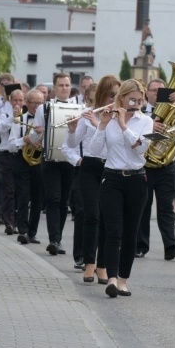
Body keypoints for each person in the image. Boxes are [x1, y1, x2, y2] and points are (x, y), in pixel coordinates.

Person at [88, 79, 153, 298]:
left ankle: (124, 279)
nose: (137, 102)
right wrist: (103, 124)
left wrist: (124, 126)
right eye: (132, 98)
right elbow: (95, 150)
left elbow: (140, 148)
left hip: (136, 179)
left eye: (140, 99)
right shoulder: (109, 119)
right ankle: (112, 279)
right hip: (112, 178)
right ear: (122, 98)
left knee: (130, 233)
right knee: (113, 230)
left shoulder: (146, 121)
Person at [65, 75, 119, 283]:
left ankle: (103, 266)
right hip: (89, 166)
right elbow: (71, 143)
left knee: (106, 219)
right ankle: (89, 263)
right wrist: (71, 130)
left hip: (110, 168)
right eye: (110, 95)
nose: (113, 99)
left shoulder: (118, 117)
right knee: (92, 216)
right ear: (101, 95)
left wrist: (100, 123)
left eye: (116, 95)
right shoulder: (87, 113)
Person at [136, 78, 175, 261]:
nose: (158, 94)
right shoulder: (140, 112)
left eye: (162, 91)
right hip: (144, 166)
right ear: (147, 93)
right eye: (154, 91)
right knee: (142, 207)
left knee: (167, 208)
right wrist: (150, 125)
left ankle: (171, 247)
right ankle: (140, 246)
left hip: (166, 166)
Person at [29, 73, 80, 256]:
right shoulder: (44, 108)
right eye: (61, 85)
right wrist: (38, 132)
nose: (64, 88)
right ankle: (54, 240)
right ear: (54, 89)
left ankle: (57, 239)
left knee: (63, 201)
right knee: (53, 199)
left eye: (67, 85)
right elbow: (34, 137)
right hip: (50, 158)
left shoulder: (78, 107)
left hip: (68, 160)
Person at [10, 89, 45, 245]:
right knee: (23, 196)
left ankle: (32, 232)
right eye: (34, 103)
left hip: (39, 162)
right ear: (27, 103)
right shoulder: (19, 120)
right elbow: (11, 145)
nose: (37, 106)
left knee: (38, 199)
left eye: (40, 103)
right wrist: (26, 139)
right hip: (22, 161)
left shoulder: (46, 121)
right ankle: (22, 231)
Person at [0, 88, 25, 235]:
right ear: (10, 101)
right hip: (7, 154)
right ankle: (9, 222)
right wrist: (12, 118)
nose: (18, 103)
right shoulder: (4, 114)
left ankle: (19, 222)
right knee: (8, 190)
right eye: (15, 100)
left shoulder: (26, 116)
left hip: (22, 155)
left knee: (21, 191)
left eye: (20, 100)